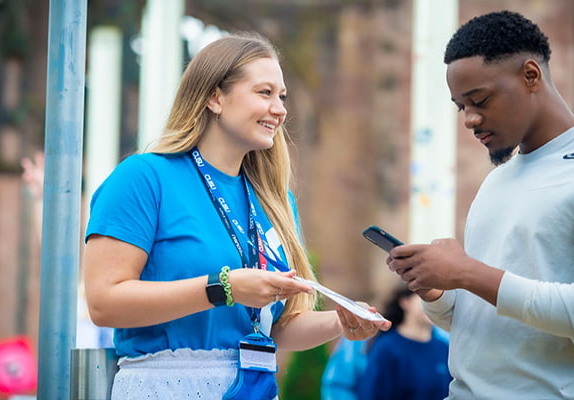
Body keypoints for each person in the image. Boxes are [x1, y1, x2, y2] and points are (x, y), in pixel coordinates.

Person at [83, 32, 390, 399]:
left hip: (254, 387)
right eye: (264, 93)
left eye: (282, 96)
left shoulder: (276, 200)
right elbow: (103, 303)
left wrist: (340, 320)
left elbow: (274, 327)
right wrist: (223, 287)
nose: (280, 109)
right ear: (214, 97)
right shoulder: (144, 177)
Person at [383, 11, 574, 399]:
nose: (468, 119)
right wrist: (438, 293)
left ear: (531, 75)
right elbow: (482, 321)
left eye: (479, 100)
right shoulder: (497, 180)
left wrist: (465, 272)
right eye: (459, 106)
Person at [351, 286, 451, 400]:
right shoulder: (387, 348)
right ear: (405, 302)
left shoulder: (443, 348)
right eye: (425, 297)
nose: (432, 304)